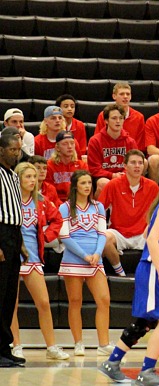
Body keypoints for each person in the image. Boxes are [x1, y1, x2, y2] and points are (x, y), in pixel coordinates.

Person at [99, 162, 159, 385]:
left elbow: (147, 233)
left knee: (146, 320)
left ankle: (112, 363)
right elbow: (151, 239)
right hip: (155, 269)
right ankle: (147, 371)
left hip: (153, 267)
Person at [9, 162, 68, 361]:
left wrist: (47, 236)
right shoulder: (9, 201)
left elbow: (58, 220)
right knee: (11, 305)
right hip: (12, 258)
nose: (33, 180)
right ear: (18, 179)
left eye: (34, 177)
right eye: (28, 177)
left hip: (33, 258)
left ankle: (51, 346)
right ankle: (16, 345)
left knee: (43, 302)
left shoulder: (41, 200)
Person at [57, 170, 113, 356]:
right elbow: (64, 236)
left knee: (104, 300)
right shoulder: (65, 207)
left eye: (89, 182)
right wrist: (84, 255)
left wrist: (97, 253)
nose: (87, 186)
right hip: (74, 260)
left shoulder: (98, 207)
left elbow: (102, 233)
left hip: (95, 260)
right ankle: (78, 343)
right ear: (75, 186)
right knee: (75, 301)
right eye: (83, 183)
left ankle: (103, 344)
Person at [99, 150, 159, 277]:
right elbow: (99, 210)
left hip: (143, 233)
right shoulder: (113, 185)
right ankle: (120, 273)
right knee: (104, 238)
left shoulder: (152, 186)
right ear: (125, 166)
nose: (137, 166)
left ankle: (157, 272)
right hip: (119, 232)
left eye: (140, 163)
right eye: (133, 163)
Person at [0, 132, 24, 367]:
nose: (16, 154)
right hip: (2, 235)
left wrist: (21, 242)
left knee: (9, 297)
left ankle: (4, 347)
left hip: (14, 235)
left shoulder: (14, 176)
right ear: (0, 150)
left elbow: (15, 212)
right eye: (12, 150)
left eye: (18, 150)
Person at [87, 104, 139, 198]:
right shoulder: (95, 141)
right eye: (114, 118)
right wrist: (112, 175)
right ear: (106, 121)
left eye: (121, 118)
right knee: (104, 183)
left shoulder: (130, 142)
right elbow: (94, 169)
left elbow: (135, 162)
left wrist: (123, 174)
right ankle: (99, 207)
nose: (118, 121)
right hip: (103, 177)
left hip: (125, 175)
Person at [95, 82, 146, 153]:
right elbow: (98, 140)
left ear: (131, 96)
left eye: (128, 94)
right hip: (108, 153)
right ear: (114, 96)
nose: (125, 96)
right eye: (122, 94)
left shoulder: (139, 117)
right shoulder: (103, 115)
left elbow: (140, 145)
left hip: (131, 155)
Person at [45, 131, 89, 203]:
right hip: (56, 202)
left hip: (77, 202)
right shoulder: (49, 166)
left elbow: (86, 189)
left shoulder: (82, 165)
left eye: (72, 143)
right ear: (57, 147)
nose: (69, 146)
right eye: (65, 144)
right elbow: (49, 191)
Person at [55, 94, 87, 160]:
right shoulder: (55, 124)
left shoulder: (80, 125)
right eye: (66, 106)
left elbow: (82, 149)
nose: (70, 109)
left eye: (72, 107)